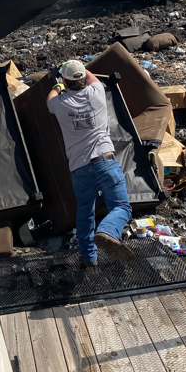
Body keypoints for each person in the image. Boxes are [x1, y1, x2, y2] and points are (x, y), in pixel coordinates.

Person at [46, 60, 134, 266]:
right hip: (105, 161)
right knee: (121, 206)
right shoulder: (97, 91)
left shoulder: (59, 104)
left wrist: (57, 84)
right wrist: (76, 67)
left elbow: (50, 98)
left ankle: (89, 257)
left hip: (79, 168)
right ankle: (107, 231)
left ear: (65, 82)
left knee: (85, 212)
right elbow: (89, 75)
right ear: (83, 78)